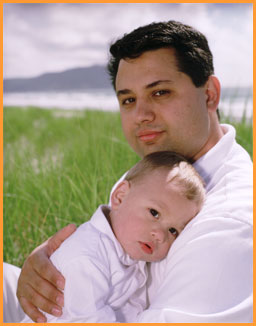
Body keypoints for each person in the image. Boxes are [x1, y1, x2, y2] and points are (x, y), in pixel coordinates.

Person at [5, 20, 253, 323]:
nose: (141, 116)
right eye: (128, 100)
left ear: (210, 95)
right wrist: (45, 268)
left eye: (160, 92)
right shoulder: (166, 167)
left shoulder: (229, 222)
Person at [8, 151, 205, 323]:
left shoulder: (131, 256)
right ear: (119, 197)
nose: (160, 235)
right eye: (154, 213)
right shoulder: (87, 256)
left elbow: (132, 309)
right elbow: (87, 319)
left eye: (173, 231)